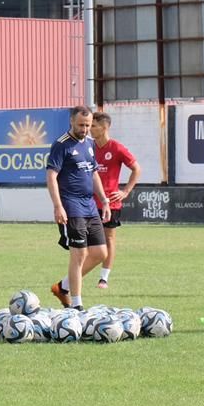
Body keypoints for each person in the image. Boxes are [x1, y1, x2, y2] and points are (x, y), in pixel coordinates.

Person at [46, 106, 110, 311]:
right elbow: (51, 176)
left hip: (90, 206)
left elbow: (93, 173)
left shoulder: (89, 144)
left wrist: (104, 200)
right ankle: (76, 305)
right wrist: (58, 206)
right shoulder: (61, 145)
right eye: (81, 125)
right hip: (71, 206)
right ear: (72, 122)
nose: (85, 129)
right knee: (79, 255)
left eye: (88, 125)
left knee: (101, 253)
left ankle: (62, 287)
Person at [90, 111, 140, 290]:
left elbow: (136, 168)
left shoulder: (117, 148)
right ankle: (79, 272)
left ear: (104, 127)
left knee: (109, 238)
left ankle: (104, 278)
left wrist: (125, 191)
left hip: (110, 203)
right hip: (89, 201)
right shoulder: (89, 147)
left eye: (93, 126)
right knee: (89, 241)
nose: (90, 129)